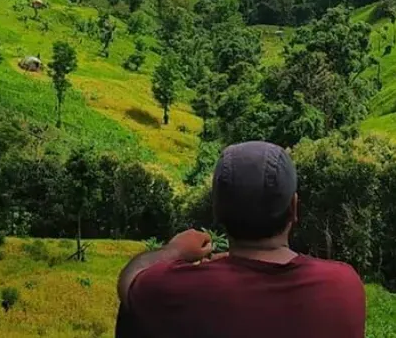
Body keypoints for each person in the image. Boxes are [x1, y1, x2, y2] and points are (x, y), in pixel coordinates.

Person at [115, 141, 365, 338]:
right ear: (294, 208)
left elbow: (130, 281)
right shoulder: (345, 284)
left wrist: (173, 250)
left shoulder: (171, 291)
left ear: (217, 211)